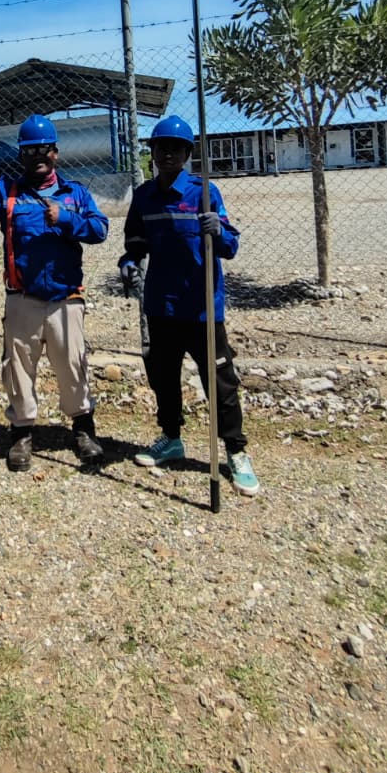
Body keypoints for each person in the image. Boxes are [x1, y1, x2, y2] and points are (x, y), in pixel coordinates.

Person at [0, 114, 108, 472]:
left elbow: (100, 229)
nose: (38, 156)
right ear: (20, 155)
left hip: (66, 298)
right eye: (29, 151)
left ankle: (83, 429)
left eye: (44, 149)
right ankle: (22, 432)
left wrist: (68, 220)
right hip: (23, 298)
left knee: (73, 366)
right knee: (18, 367)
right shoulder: (6, 192)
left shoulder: (75, 193)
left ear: (55, 153)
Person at [119, 115, 259, 496]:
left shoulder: (205, 193)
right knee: (163, 375)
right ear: (152, 151)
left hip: (201, 307)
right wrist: (129, 264)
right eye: (160, 147)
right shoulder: (144, 196)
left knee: (220, 382)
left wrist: (219, 230)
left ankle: (234, 450)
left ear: (186, 154)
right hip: (161, 306)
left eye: (175, 148)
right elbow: (135, 244)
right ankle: (171, 436)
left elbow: (230, 246)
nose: (166, 153)